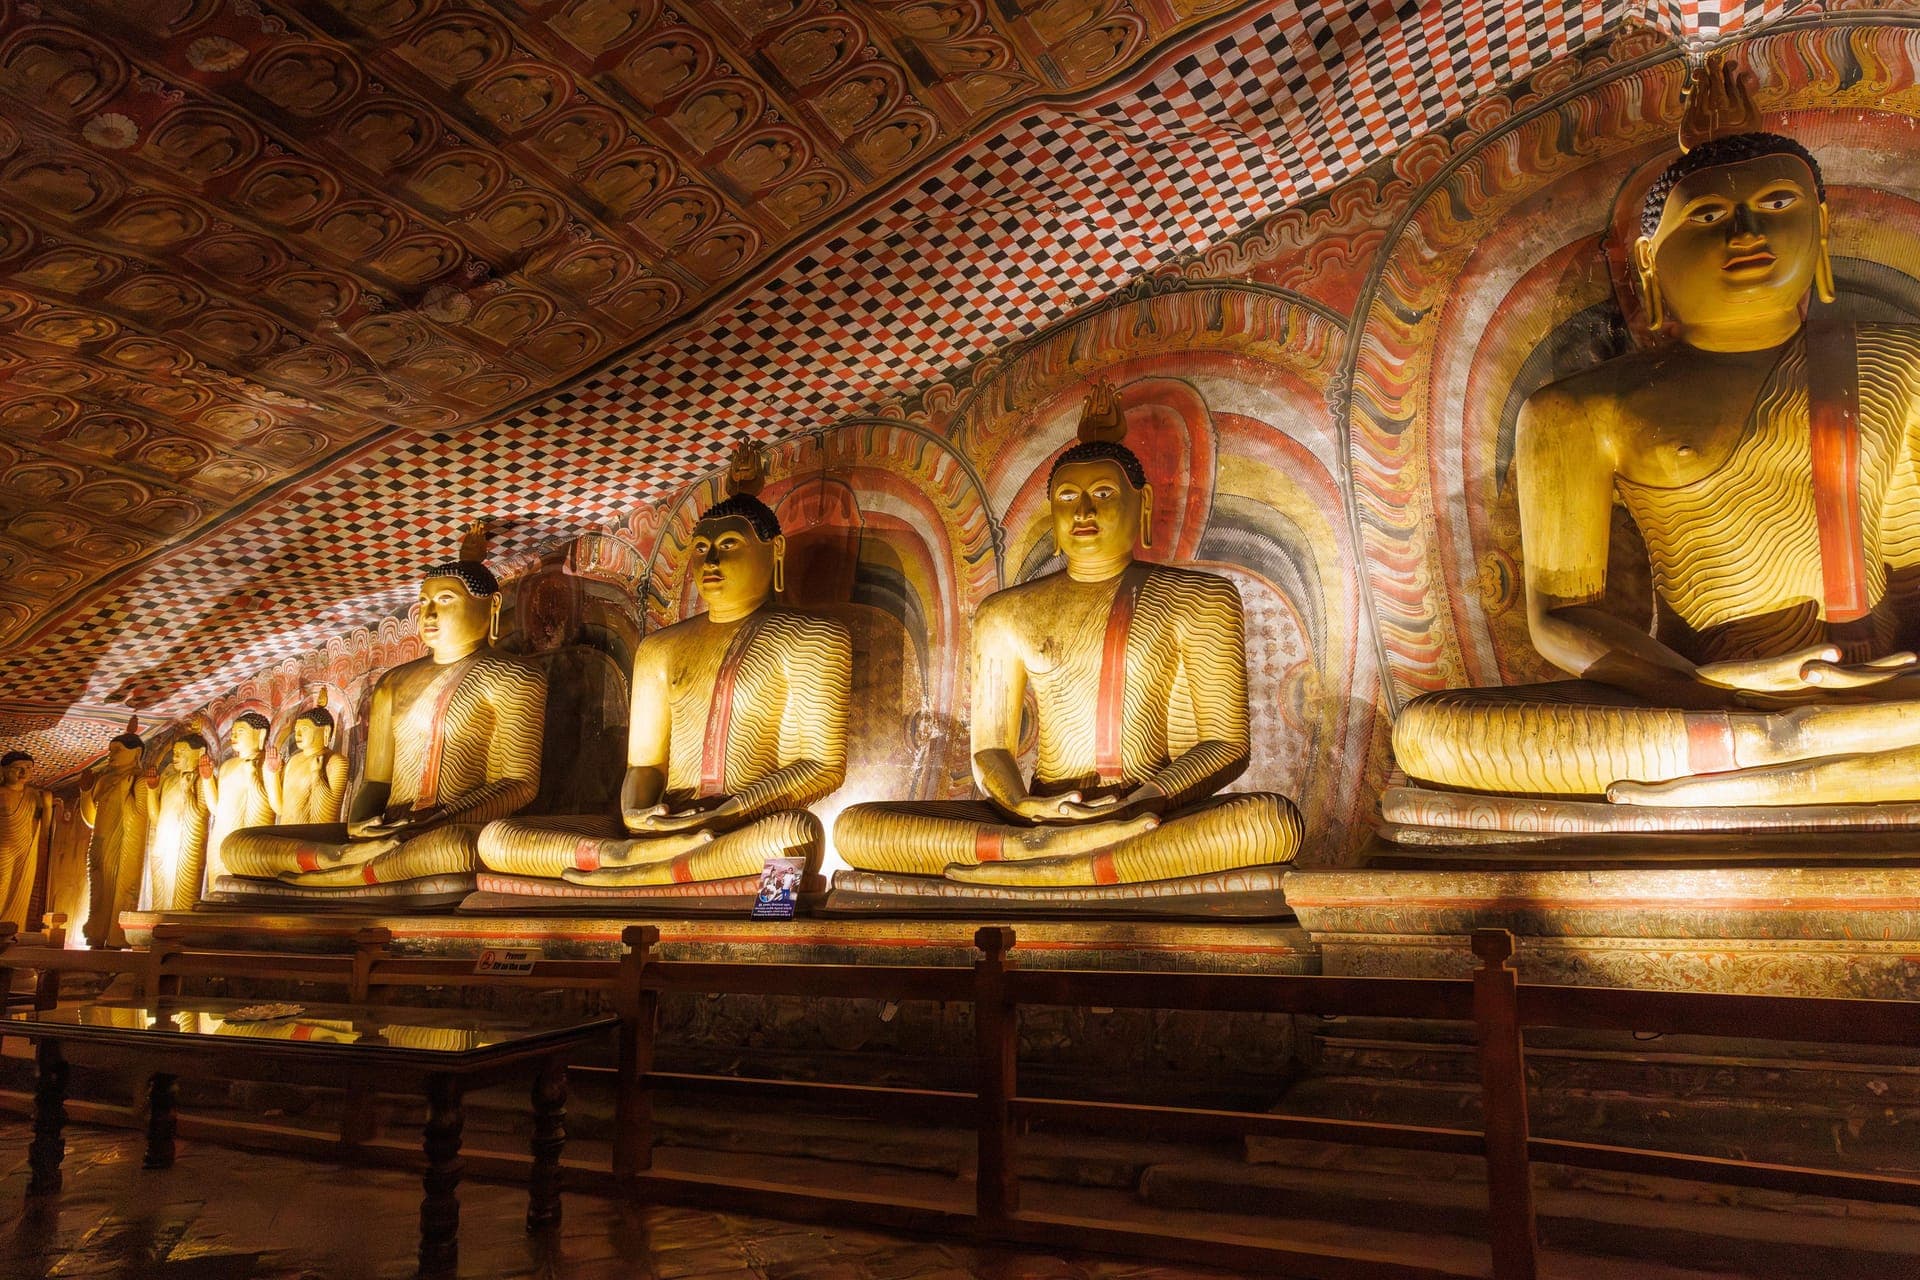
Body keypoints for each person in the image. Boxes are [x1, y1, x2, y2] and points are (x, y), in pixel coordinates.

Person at [835, 383, 1302, 887]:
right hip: (1042, 814)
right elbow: (990, 750)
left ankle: (1037, 864)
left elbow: (1225, 744)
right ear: (1053, 518)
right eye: (1067, 498)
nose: (1083, 512)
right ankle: (1057, 855)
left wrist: (1139, 802)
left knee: (1269, 822)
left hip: (1149, 811)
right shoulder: (1004, 613)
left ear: (1142, 505)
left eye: (1103, 494)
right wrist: (1023, 805)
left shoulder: (1200, 597)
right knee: (857, 828)